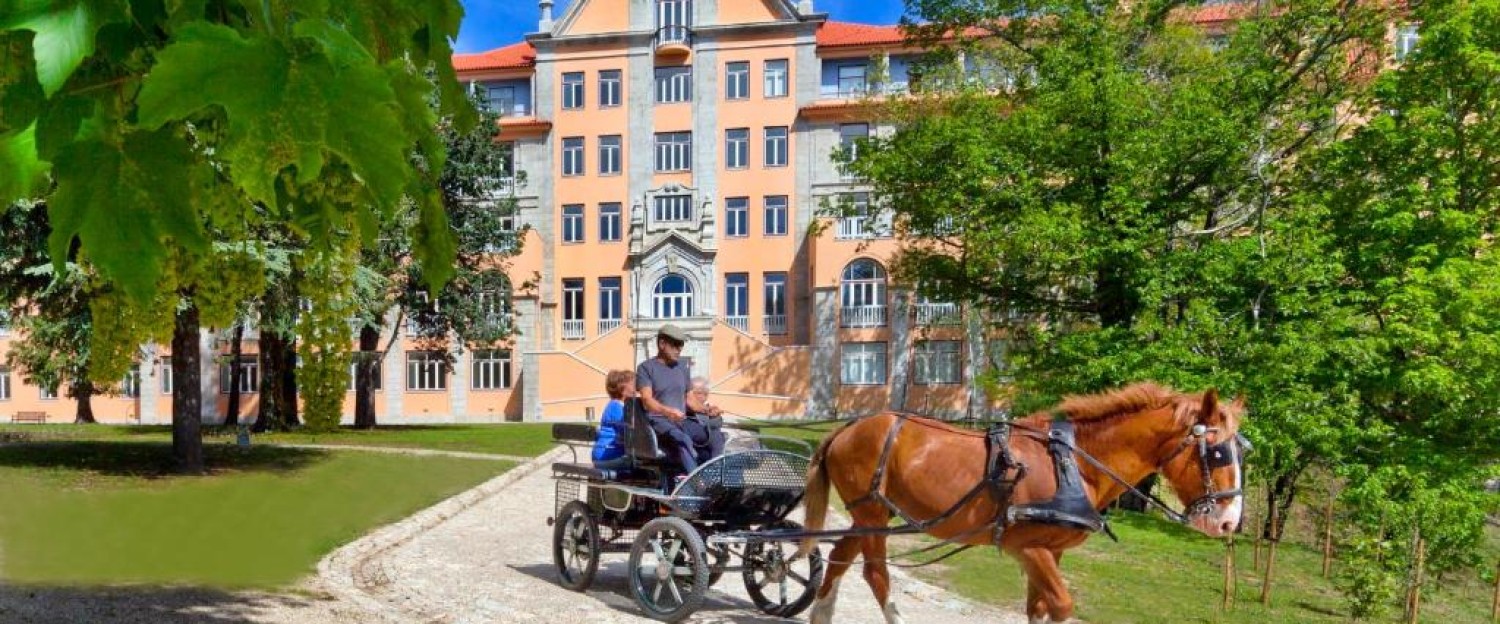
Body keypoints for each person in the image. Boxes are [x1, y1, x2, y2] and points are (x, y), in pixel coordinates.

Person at [636, 324, 700, 475]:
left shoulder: (682, 368)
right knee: (682, 439)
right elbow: (646, 400)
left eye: (681, 345)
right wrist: (668, 411)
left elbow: (690, 400)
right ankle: (699, 484)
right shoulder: (646, 368)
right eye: (676, 345)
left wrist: (707, 409)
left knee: (715, 435)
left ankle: (720, 481)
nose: (679, 349)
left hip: (681, 422)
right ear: (662, 344)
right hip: (659, 422)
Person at [591, 370, 636, 472]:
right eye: (633, 384)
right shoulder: (617, 407)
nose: (636, 388)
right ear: (622, 389)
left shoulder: (614, 405)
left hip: (606, 451)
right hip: (610, 453)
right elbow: (631, 430)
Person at [684, 376, 726, 463]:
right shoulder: (685, 406)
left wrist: (715, 416)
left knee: (717, 434)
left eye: (706, 393)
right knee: (715, 434)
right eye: (699, 393)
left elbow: (717, 424)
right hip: (692, 439)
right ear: (689, 393)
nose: (703, 397)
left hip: (703, 445)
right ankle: (717, 463)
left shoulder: (707, 407)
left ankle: (717, 464)